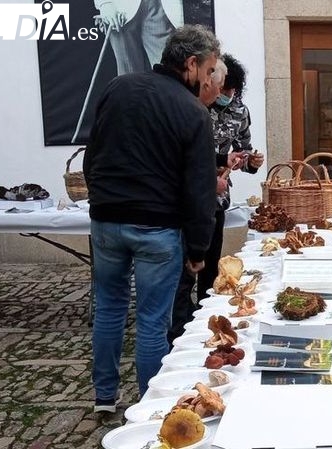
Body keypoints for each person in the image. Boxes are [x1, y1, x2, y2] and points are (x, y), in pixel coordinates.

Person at [83, 24, 220, 413]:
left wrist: (103, 200)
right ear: (191, 64)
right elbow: (199, 190)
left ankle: (105, 398)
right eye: (209, 71)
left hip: (107, 221)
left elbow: (92, 156)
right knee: (151, 321)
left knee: (109, 309)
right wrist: (199, 249)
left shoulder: (118, 87)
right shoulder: (192, 110)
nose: (209, 79)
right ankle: (149, 407)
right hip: (157, 229)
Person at [167, 53, 264, 344]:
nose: (226, 95)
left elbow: (243, 152)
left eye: (232, 90)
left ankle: (209, 321)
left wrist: (251, 162)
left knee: (211, 265)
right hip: (189, 198)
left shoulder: (239, 111)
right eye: (223, 89)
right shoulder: (193, 106)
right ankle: (179, 330)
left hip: (217, 200)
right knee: (185, 270)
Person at [93, 0, 182, 74]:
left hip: (157, 6)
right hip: (119, 12)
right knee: (129, 78)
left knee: (170, 71)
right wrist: (105, 4)